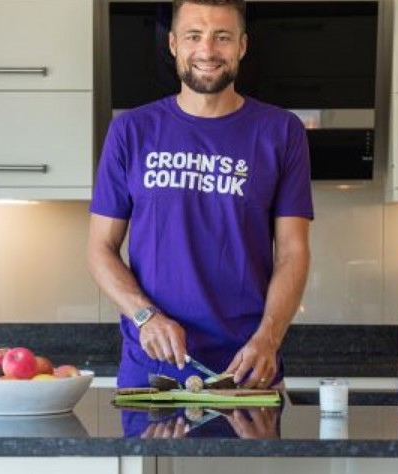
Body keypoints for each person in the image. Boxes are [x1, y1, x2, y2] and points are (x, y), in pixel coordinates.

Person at [87, 0, 312, 390]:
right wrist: (145, 317)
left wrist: (269, 338)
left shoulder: (282, 132)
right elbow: (99, 248)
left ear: (242, 46)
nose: (207, 50)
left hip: (246, 371)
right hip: (153, 373)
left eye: (222, 37)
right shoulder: (130, 131)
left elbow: (293, 251)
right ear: (174, 44)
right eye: (194, 36)